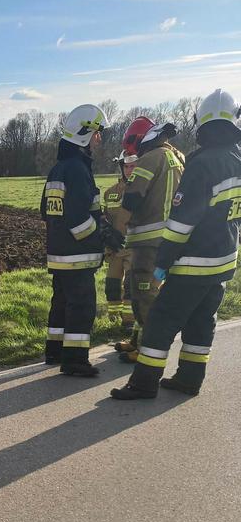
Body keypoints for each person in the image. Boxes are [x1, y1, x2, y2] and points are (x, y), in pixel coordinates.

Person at [112, 89, 241, 400]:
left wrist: (163, 262)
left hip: (193, 262)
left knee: (160, 320)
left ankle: (143, 384)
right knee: (201, 321)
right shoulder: (236, 160)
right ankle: (189, 379)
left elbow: (182, 222)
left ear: (202, 122)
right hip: (223, 260)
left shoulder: (203, 163)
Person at [40, 103, 122, 377]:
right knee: (82, 306)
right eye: (98, 134)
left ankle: (55, 351)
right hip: (78, 256)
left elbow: (47, 212)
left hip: (58, 253)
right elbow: (77, 219)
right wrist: (102, 236)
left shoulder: (58, 169)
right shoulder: (77, 169)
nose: (100, 140)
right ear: (86, 135)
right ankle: (74, 360)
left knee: (61, 303)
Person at [113, 118, 184, 363]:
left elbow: (132, 197)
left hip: (149, 242)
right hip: (168, 240)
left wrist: (116, 231)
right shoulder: (176, 157)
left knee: (144, 294)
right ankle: (137, 339)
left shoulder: (151, 158)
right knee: (147, 291)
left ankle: (145, 348)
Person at [103, 152, 137, 327]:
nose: (129, 170)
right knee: (112, 285)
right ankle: (112, 321)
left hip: (134, 248)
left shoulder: (145, 189)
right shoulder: (110, 193)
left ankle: (129, 323)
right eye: (126, 166)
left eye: (133, 166)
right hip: (115, 248)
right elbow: (106, 218)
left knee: (131, 286)